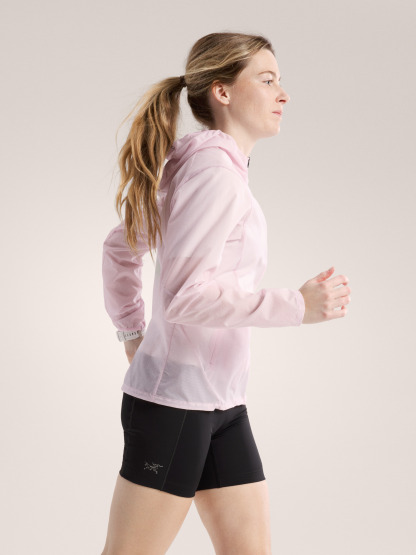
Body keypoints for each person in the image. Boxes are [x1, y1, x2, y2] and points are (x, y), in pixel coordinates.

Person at [100, 31, 351, 555]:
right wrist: (297, 305)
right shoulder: (214, 173)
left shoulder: (203, 166)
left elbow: (119, 248)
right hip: (175, 407)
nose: (283, 94)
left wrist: (132, 334)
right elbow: (185, 296)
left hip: (222, 401)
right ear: (222, 92)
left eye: (280, 81)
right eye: (267, 80)